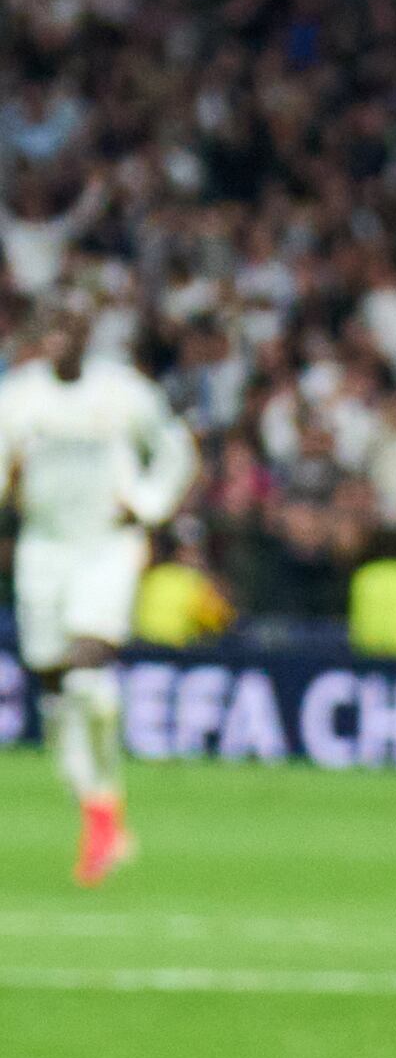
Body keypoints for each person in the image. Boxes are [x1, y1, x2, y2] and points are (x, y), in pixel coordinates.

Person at [0, 317, 198, 886]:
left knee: (87, 675)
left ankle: (106, 818)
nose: (63, 342)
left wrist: (151, 504)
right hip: (44, 549)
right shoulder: (20, 397)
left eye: (73, 331)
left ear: (87, 338)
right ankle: (100, 811)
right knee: (55, 695)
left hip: (107, 547)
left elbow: (176, 448)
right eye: (54, 332)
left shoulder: (124, 392)